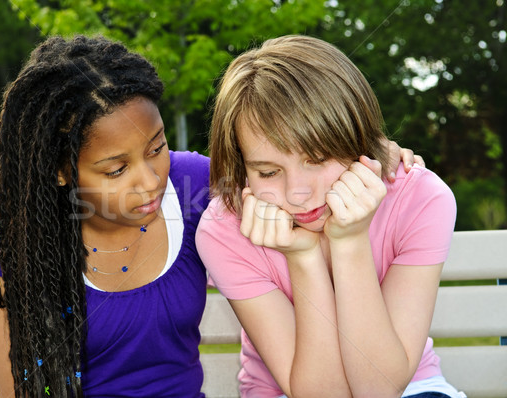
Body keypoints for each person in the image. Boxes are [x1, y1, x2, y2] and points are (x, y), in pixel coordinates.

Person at [0, 34, 424, 398]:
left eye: (157, 147)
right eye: (117, 169)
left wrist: (364, 149)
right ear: (61, 170)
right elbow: (22, 389)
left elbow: (276, 163)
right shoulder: (6, 233)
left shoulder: (198, 187)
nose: (150, 180)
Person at [196, 35, 463, 398]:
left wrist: (350, 241)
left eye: (318, 159)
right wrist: (302, 256)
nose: (298, 193)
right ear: (242, 170)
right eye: (268, 172)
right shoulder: (226, 229)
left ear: (357, 139)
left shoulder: (419, 198)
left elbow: (379, 389)